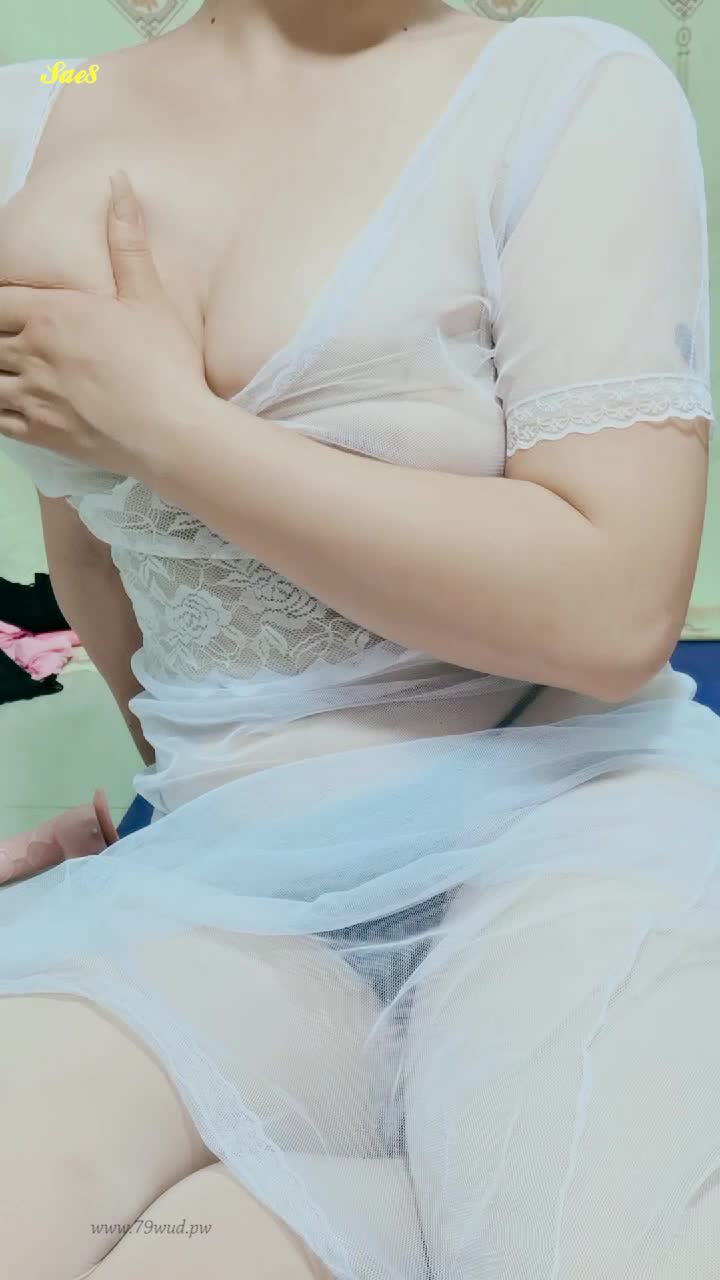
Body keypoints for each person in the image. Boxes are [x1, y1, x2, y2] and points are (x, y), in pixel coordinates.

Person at [0, 1, 718, 1276]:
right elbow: (95, 553)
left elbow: (613, 611)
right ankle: (388, 1200)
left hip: (563, 829)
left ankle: (401, 1196)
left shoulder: (570, 87)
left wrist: (169, 427)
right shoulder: (28, 114)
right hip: (234, 880)